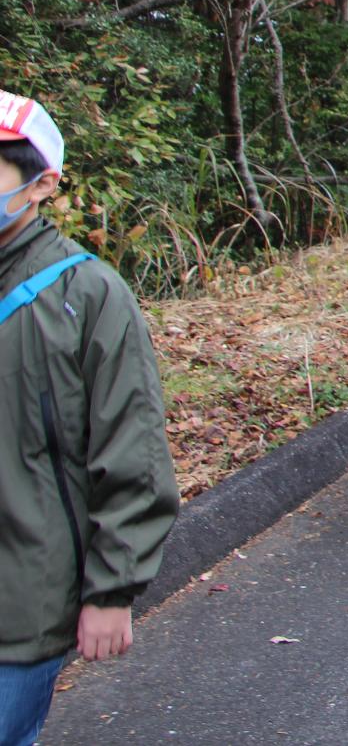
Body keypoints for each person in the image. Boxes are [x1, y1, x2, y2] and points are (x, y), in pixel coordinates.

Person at [0, 93, 177, 746]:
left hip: (21, 598)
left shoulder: (87, 294)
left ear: (44, 184)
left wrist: (111, 589)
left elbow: (131, 447)